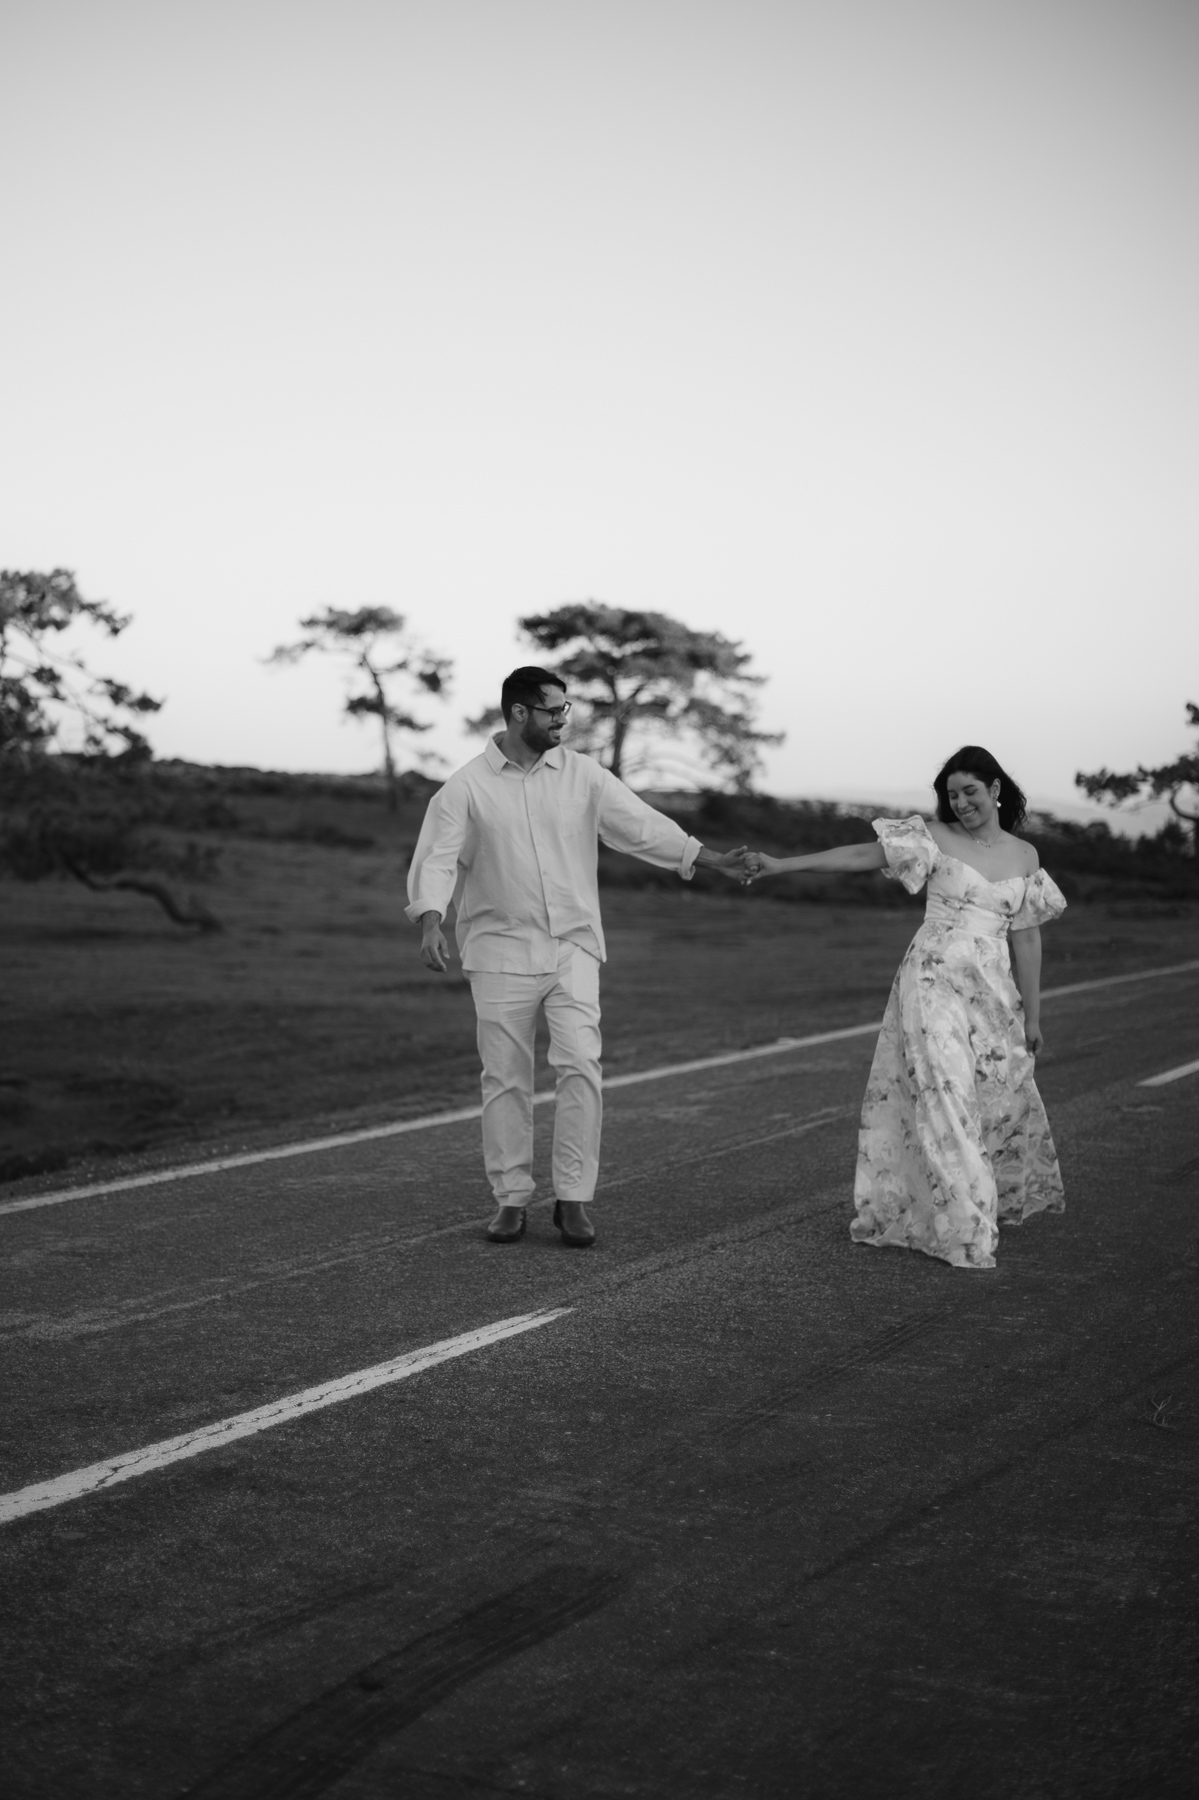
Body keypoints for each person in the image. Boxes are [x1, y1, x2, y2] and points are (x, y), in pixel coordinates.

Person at [407, 665, 750, 1246]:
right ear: (519, 713)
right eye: (553, 711)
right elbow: (436, 859)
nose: (564, 720)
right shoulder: (464, 788)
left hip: (573, 948)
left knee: (580, 1066)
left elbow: (642, 826)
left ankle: (573, 1199)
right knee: (506, 1078)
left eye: (566, 710)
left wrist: (709, 859)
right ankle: (511, 1200)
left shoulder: (584, 776)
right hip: (499, 953)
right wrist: (431, 920)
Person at [745, 746, 1067, 1270]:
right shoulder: (933, 838)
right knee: (946, 1093)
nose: (961, 803)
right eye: (952, 794)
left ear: (995, 791)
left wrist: (1032, 1015)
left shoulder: (1025, 857)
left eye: (970, 792)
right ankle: (966, 1225)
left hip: (992, 992)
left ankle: (955, 1202)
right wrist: (781, 865)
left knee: (993, 1100)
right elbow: (857, 857)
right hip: (933, 977)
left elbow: (1026, 941)